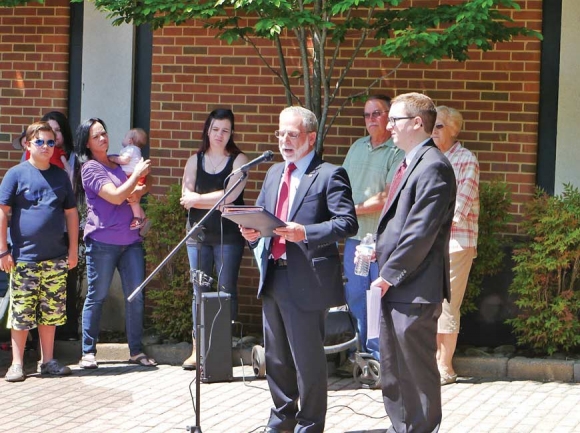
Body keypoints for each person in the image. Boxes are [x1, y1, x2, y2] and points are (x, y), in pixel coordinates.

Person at [240, 106, 358, 433]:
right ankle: (281, 422)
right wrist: (252, 231)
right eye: (280, 133)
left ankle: (310, 425)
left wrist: (305, 232)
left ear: (310, 137)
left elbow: (347, 223)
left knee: (307, 362)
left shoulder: (329, 174)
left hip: (306, 279)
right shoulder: (274, 173)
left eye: (292, 134)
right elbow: (265, 218)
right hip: (273, 274)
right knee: (276, 360)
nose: (284, 140)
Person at [370, 92, 456, 433]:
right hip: (397, 286)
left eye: (395, 119)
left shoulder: (433, 166)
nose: (388, 126)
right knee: (393, 371)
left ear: (417, 123)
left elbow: (421, 232)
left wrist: (388, 274)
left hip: (415, 287)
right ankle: (400, 428)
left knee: (416, 373)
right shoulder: (410, 162)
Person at [0, 121, 78, 382]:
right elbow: (2, 213)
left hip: (55, 258)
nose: (46, 147)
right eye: (40, 142)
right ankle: (17, 364)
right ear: (28, 144)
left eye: (50, 142)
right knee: (21, 313)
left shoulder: (60, 176)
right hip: (23, 258)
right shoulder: (16, 174)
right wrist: (3, 251)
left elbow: (71, 214)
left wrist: (73, 250)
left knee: (51, 312)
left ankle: (48, 361)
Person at [75, 117, 156, 369]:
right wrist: (135, 182)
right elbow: (115, 195)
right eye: (96, 135)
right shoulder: (90, 168)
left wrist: (140, 189)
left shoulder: (116, 159)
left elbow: (144, 183)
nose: (103, 138)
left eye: (104, 133)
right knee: (97, 295)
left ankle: (135, 351)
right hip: (102, 241)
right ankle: (88, 352)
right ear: (86, 143)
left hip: (131, 240)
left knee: (136, 296)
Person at [179, 108, 248, 370]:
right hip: (197, 234)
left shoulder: (240, 160)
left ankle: (221, 348)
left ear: (231, 133)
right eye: (216, 129)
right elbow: (186, 198)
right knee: (199, 291)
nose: (220, 134)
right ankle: (198, 349)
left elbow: (230, 196)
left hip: (228, 235)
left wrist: (199, 199)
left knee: (226, 290)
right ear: (208, 129)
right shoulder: (194, 160)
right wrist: (204, 200)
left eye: (225, 130)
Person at [341, 95, 404, 362]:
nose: (371, 120)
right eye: (367, 115)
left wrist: (349, 210)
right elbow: (340, 186)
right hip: (354, 239)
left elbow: (387, 196)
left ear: (388, 117)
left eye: (377, 113)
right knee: (355, 295)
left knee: (376, 297)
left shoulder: (397, 151)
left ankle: (380, 357)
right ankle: (360, 353)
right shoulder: (356, 147)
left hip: (380, 240)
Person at [432, 106, 480, 386]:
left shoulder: (465, 160)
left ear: (454, 130)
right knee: (430, 301)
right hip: (429, 242)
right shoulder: (429, 158)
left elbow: (459, 208)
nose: (434, 131)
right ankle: (430, 361)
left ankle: (444, 366)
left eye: (439, 126)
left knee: (447, 303)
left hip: (456, 241)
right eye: (432, 126)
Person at [40, 111, 82, 341]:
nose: (54, 136)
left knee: (65, 281)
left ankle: (66, 332)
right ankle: (36, 338)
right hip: (38, 233)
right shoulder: (32, 156)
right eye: (49, 130)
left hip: (65, 229)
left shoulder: (72, 157)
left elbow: (75, 188)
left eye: (57, 131)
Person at [108, 128, 151, 233]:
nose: (124, 139)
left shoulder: (130, 149)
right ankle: (144, 218)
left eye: (125, 137)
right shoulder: (136, 150)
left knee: (132, 199)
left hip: (133, 175)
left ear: (130, 140)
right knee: (133, 199)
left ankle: (137, 219)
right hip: (135, 176)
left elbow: (124, 160)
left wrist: (114, 159)